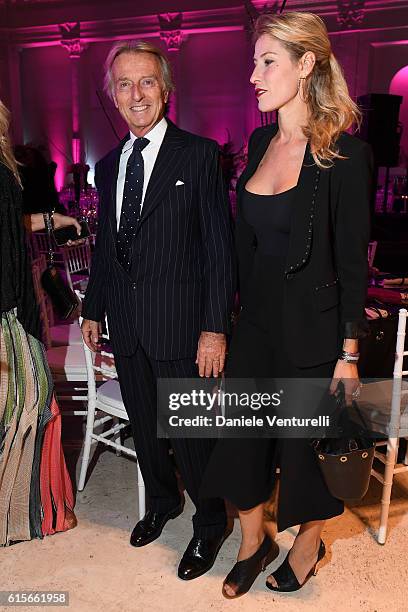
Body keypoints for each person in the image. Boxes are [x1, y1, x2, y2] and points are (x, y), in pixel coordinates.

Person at [200, 11, 373, 597]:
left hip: (314, 335)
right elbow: (244, 251)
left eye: (266, 61)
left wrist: (347, 355)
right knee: (240, 447)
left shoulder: (345, 157)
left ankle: (306, 543)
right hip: (255, 328)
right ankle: (253, 544)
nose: (253, 75)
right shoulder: (257, 141)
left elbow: (353, 267)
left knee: (306, 457)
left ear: (306, 65)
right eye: (254, 61)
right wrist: (222, 327)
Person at [81, 41, 235, 580]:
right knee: (145, 428)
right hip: (125, 322)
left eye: (146, 81)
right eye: (124, 84)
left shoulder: (197, 154)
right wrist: (95, 307)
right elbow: (106, 244)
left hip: (180, 322)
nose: (136, 93)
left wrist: (214, 327)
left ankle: (211, 521)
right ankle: (163, 503)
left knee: (191, 434)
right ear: (113, 96)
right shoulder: (106, 166)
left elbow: (220, 248)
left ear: (165, 90)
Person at [0, 99, 80, 545]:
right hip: (3, 313)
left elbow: (9, 225)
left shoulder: (2, 158)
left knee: (32, 408)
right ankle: (24, 513)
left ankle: (30, 511)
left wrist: (55, 218)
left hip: (13, 308)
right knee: (29, 408)